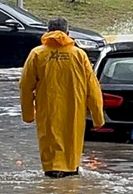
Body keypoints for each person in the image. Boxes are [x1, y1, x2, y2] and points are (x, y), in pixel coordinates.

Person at [19, 17, 105, 178]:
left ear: (47, 32)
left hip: (47, 113)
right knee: (71, 153)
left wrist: (28, 115)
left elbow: (25, 87)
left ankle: (53, 185)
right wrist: (98, 118)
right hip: (74, 113)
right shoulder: (79, 55)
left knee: (50, 154)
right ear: (68, 33)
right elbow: (93, 89)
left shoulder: (37, 54)